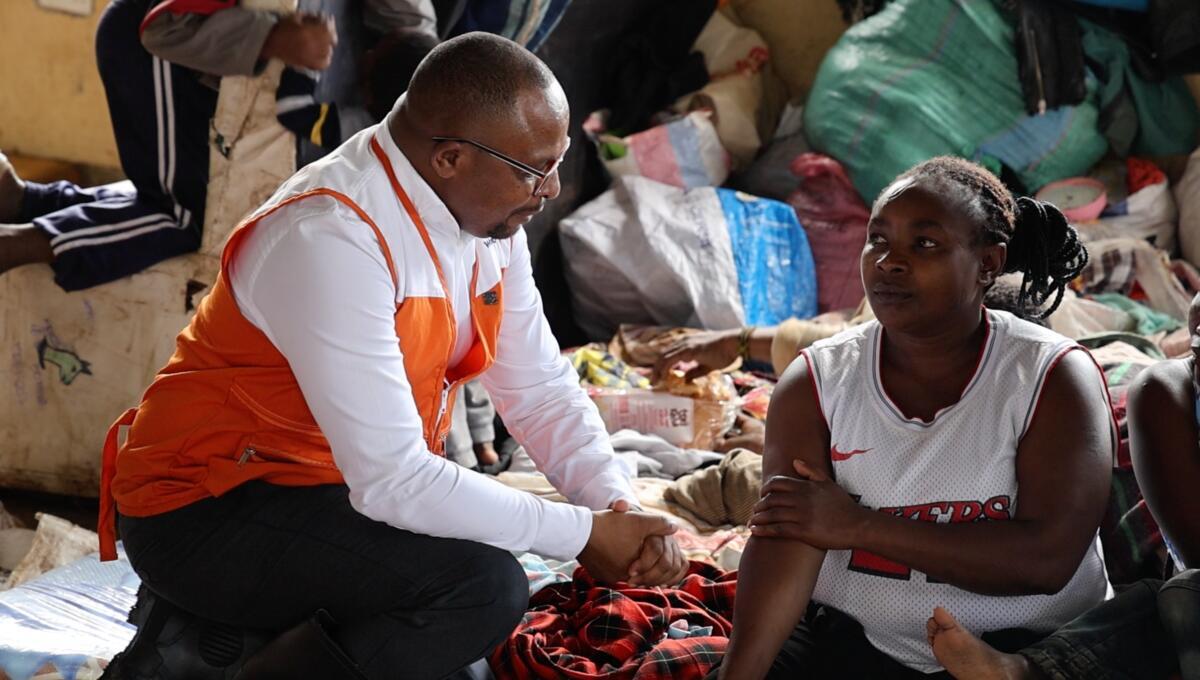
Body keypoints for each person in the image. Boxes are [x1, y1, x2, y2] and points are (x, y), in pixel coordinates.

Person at [97, 33, 688, 680]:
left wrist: (616, 508)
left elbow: (540, 388)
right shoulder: (331, 235)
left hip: (327, 489)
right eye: (533, 168)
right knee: (482, 588)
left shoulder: (488, 219)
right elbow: (395, 480)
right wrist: (582, 534)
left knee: (473, 575)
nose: (550, 188)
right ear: (451, 159)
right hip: (201, 508)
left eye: (557, 160)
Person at [714, 156, 1113, 679]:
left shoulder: (1051, 378)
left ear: (988, 264)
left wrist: (858, 526)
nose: (889, 262)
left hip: (1025, 649)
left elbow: (1046, 560)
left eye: (924, 244)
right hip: (854, 643)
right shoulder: (817, 381)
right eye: (877, 240)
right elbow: (789, 536)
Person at [925, 292, 1200, 680]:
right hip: (1180, 570)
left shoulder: (1066, 386)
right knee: (1157, 604)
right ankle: (1021, 670)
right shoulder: (1162, 388)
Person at [0, 0, 347, 291]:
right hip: (153, 49)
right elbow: (164, 24)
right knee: (185, 217)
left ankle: (24, 201)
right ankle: (14, 245)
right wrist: (271, 38)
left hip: (165, 54)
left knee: (171, 201)